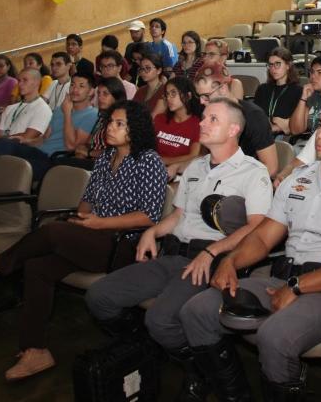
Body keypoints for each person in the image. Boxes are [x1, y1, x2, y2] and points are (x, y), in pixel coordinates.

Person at [188, 102, 321, 399]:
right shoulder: (297, 180)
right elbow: (262, 238)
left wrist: (298, 287)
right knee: (198, 310)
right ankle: (234, 395)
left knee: (274, 336)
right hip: (284, 279)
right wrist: (230, 262)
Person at [0, 100, 167, 381]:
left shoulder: (148, 161)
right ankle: (35, 350)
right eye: (110, 122)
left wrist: (98, 223)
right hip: (92, 236)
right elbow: (88, 199)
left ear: (135, 129)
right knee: (38, 267)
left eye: (119, 124)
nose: (110, 128)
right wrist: (83, 218)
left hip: (122, 245)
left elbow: (149, 216)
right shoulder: (104, 158)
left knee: (52, 232)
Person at [85, 98, 272, 401]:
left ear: (233, 129)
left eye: (213, 119)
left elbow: (257, 227)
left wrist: (212, 253)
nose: (202, 123)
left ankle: (199, 368)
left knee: (160, 320)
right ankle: (170, 355)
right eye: (204, 117)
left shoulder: (253, 172)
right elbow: (178, 216)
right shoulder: (196, 167)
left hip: (208, 259)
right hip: (173, 253)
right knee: (99, 297)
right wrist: (152, 231)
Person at [0, 72, 98, 182]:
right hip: (38, 152)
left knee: (12, 170)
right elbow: (44, 138)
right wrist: (26, 141)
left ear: (91, 91)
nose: (75, 90)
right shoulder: (59, 110)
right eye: (72, 85)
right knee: (2, 143)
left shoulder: (92, 114)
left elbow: (71, 146)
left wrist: (67, 114)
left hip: (54, 160)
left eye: (81, 86)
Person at [194, 61, 278, 178]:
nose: (201, 102)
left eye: (206, 96)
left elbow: (271, 168)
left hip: (244, 181)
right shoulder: (206, 111)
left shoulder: (254, 116)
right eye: (199, 96)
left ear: (223, 89)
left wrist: (233, 181)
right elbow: (203, 157)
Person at [0, 68, 53, 170]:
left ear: (37, 83)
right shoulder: (10, 108)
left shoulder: (43, 109)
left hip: (13, 152)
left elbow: (26, 137)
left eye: (25, 80)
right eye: (19, 80)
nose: (20, 84)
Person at [61, 77, 127, 170]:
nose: (100, 97)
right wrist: (82, 151)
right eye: (99, 93)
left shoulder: (121, 120)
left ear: (116, 97)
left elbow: (117, 151)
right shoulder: (102, 117)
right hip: (90, 161)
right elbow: (89, 143)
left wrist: (89, 153)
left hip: (106, 166)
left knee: (58, 164)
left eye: (105, 94)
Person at [153, 76, 203, 179]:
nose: (169, 98)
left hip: (180, 175)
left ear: (188, 96)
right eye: (167, 94)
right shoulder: (160, 119)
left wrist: (164, 160)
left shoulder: (198, 124)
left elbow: (194, 155)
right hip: (153, 169)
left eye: (173, 93)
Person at [254, 47, 303, 137]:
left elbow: (294, 124)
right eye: (271, 65)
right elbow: (256, 117)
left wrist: (280, 126)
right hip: (261, 134)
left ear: (288, 65)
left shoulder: (298, 91)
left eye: (277, 64)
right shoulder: (262, 89)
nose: (273, 69)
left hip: (284, 138)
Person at [289, 55, 321, 136]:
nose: (313, 76)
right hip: (307, 144)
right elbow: (295, 130)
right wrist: (303, 98)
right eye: (312, 72)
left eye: (319, 73)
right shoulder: (312, 95)